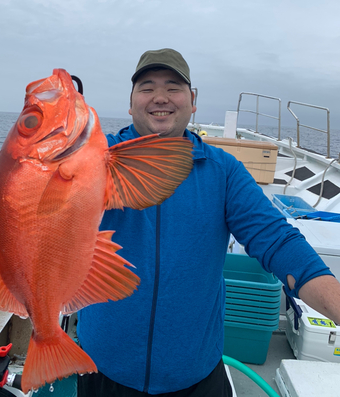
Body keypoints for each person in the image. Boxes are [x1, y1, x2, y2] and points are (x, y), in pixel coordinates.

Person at [77, 48, 340, 396]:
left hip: (195, 375)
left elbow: (277, 241)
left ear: (193, 100)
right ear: (130, 103)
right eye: (146, 87)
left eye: (173, 87)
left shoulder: (223, 171)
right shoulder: (91, 162)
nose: (160, 97)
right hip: (103, 368)